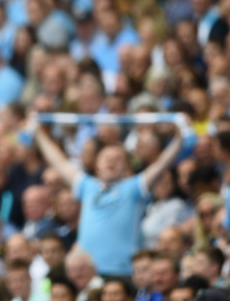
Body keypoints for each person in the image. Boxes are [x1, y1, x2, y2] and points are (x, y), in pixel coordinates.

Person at [31, 116, 183, 277]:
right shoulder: (87, 186)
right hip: (87, 274)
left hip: (122, 274)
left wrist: (180, 137)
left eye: (117, 159)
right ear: (96, 165)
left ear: (126, 166)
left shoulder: (134, 188)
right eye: (106, 158)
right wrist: (38, 133)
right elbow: (59, 162)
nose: (111, 162)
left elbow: (162, 165)